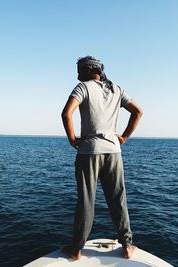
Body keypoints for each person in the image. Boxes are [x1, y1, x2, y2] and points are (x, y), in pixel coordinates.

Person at [61, 56, 143, 260]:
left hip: (89, 152)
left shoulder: (83, 88)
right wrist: (123, 137)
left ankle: (77, 250)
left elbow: (66, 113)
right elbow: (138, 112)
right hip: (114, 152)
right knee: (118, 200)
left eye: (79, 70)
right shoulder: (117, 89)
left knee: (86, 201)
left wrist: (72, 139)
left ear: (89, 70)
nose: (77, 74)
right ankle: (126, 246)